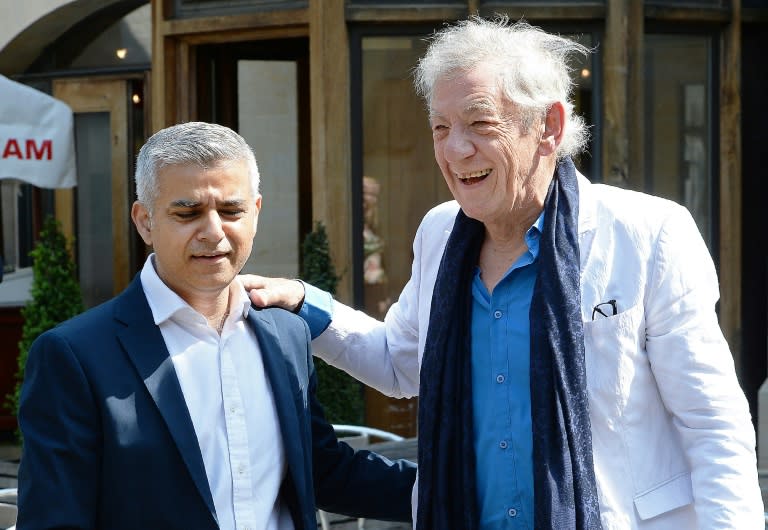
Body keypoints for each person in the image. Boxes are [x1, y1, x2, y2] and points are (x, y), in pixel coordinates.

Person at [245, 16, 764, 530]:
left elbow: (712, 424)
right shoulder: (439, 233)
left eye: (480, 124)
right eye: (441, 128)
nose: (455, 150)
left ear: (549, 127)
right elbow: (400, 363)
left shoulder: (649, 234)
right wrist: (301, 302)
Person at [16, 122, 416, 529]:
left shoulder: (286, 333)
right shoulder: (74, 355)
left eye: (230, 211)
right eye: (187, 213)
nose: (213, 232)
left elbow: (324, 470)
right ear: (145, 222)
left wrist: (456, 489)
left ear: (255, 213)